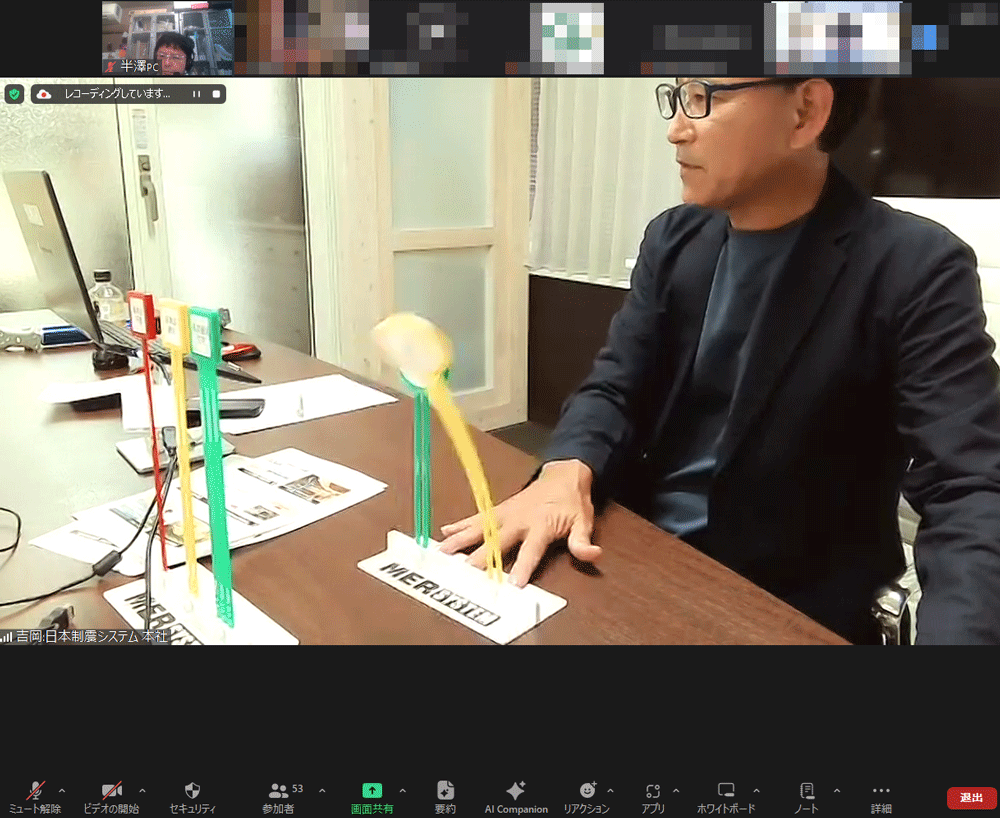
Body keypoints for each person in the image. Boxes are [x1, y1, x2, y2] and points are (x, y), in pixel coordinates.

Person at [439, 77, 1000, 645]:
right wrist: (565, 469)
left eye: (705, 97)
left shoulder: (914, 267)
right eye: (677, 95)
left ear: (805, 112)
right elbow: (614, 385)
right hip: (629, 554)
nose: (676, 130)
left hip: (782, 604)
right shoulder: (675, 238)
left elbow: (970, 486)